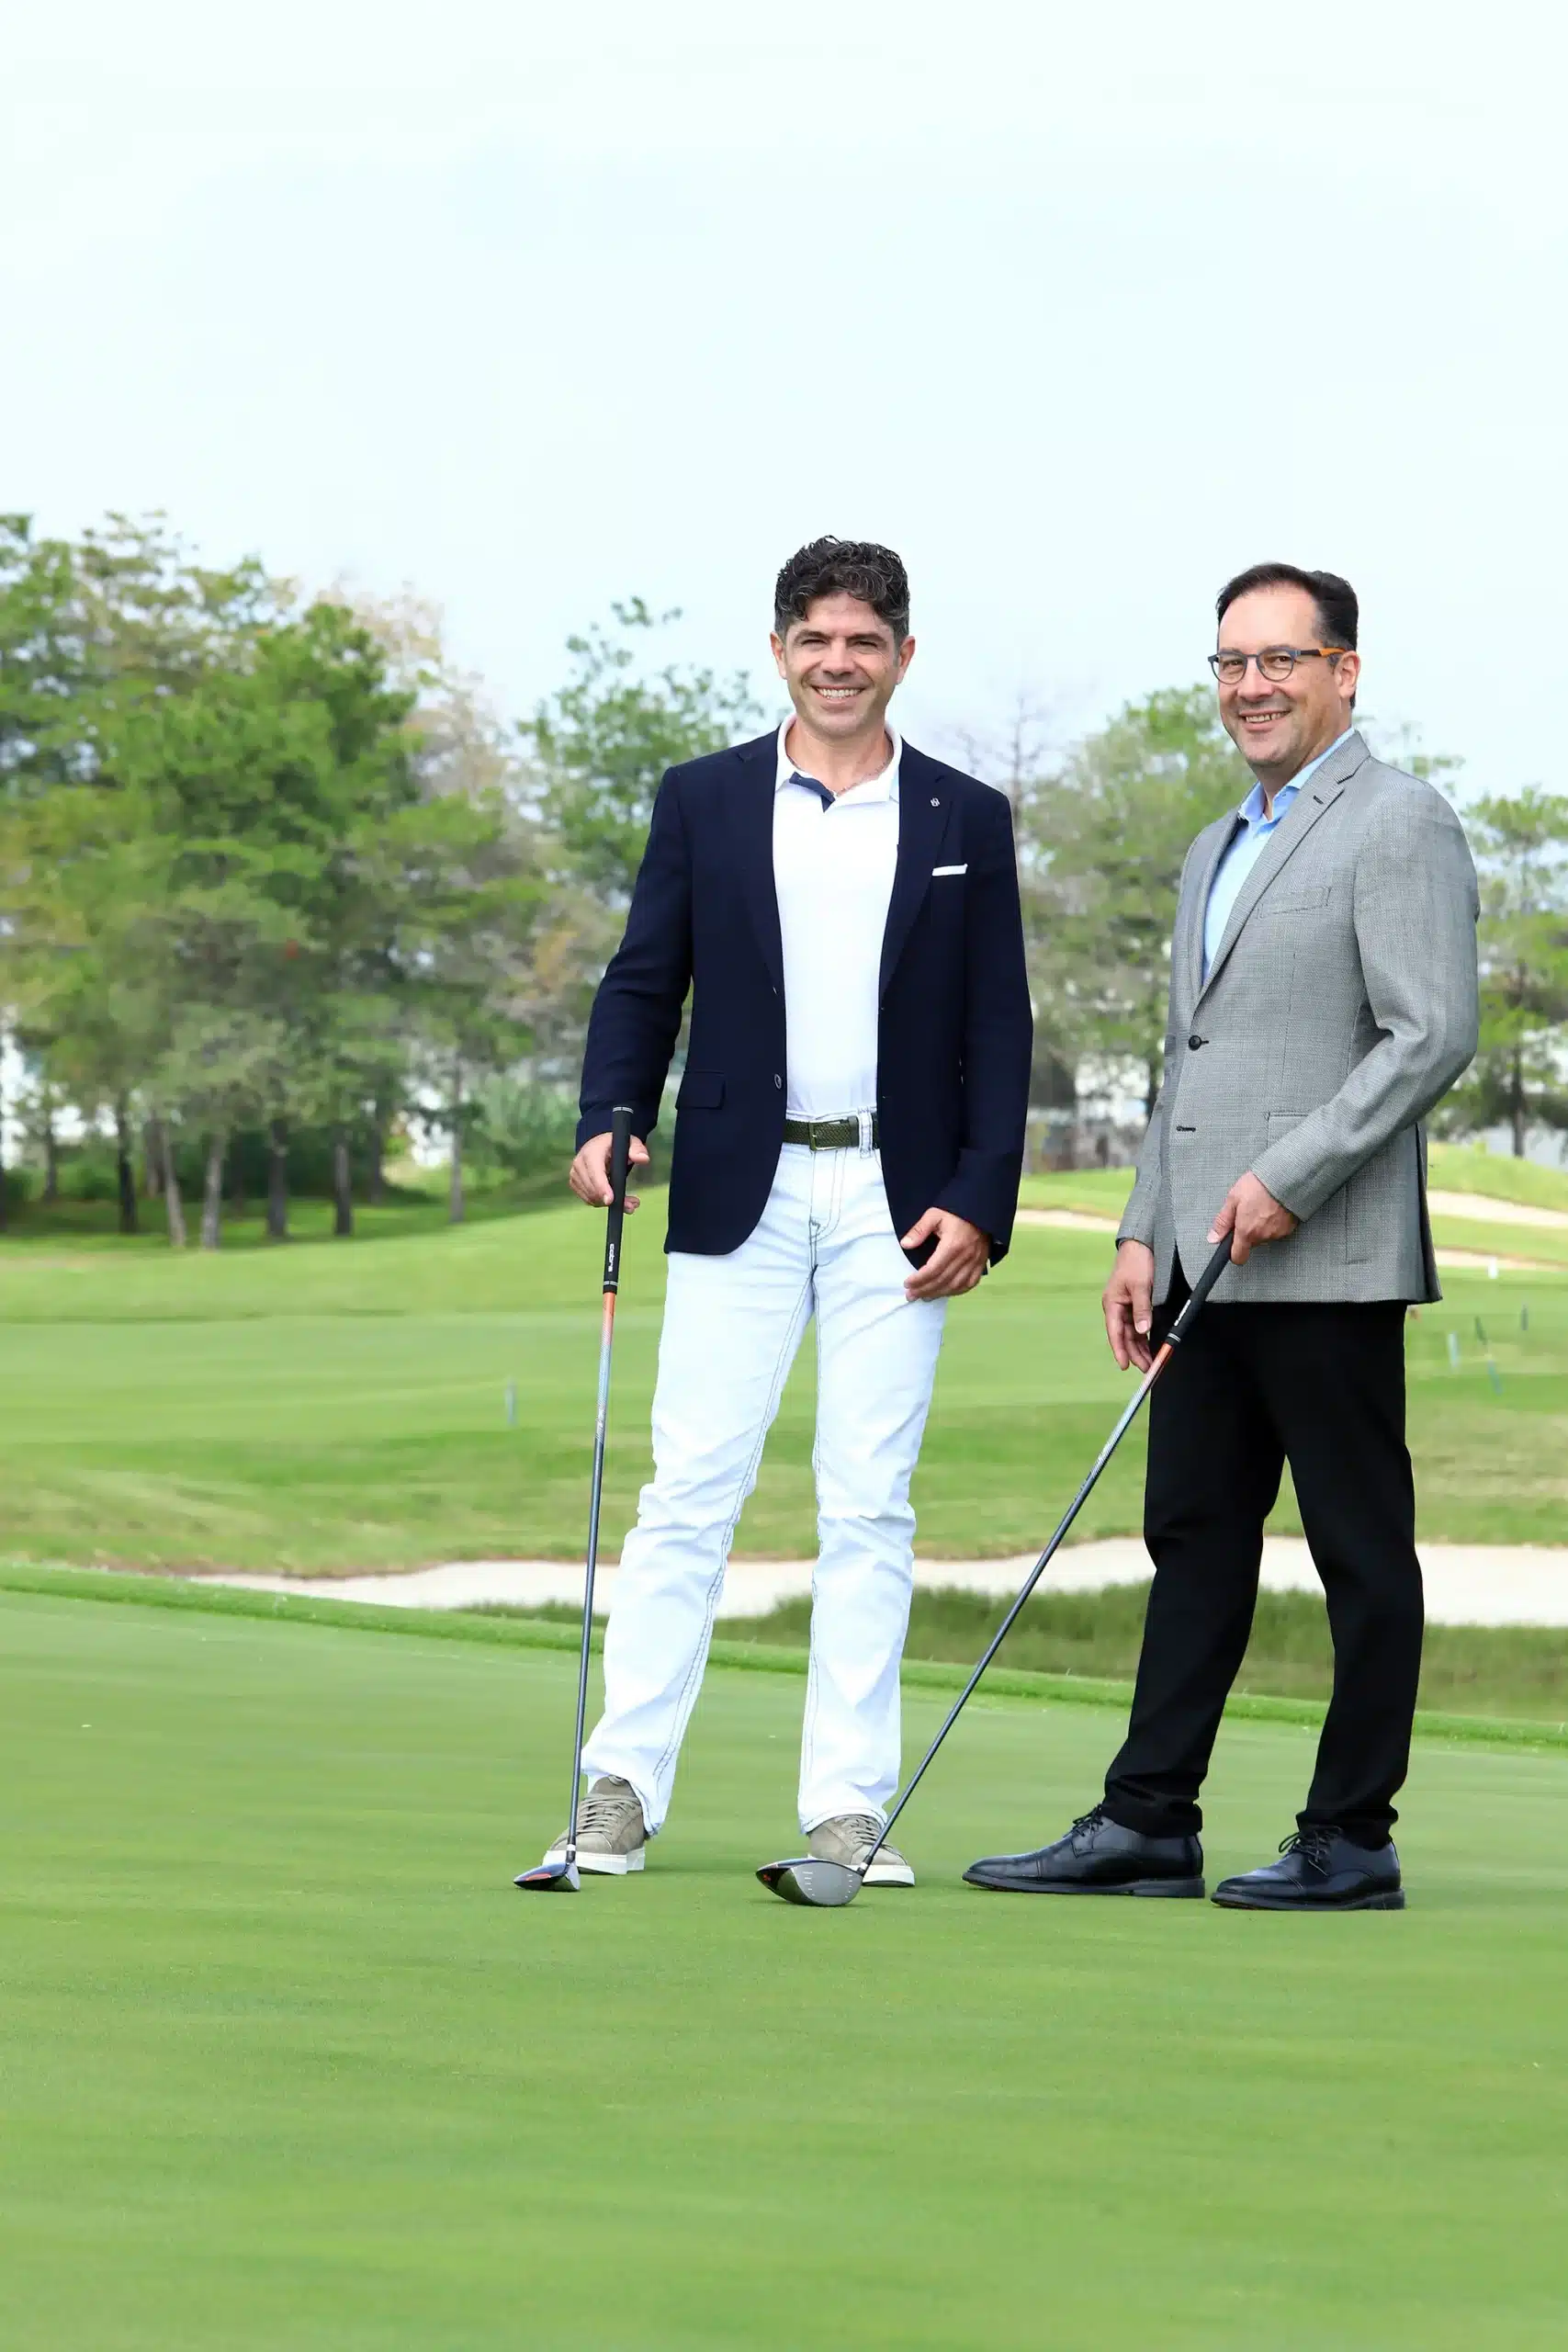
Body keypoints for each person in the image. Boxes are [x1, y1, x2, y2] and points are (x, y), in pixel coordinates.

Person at [965, 561, 1479, 1912]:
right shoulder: (1213, 845)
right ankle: (1149, 1818)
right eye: (1231, 663)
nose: (1251, 686)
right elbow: (1186, 1063)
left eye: (1280, 660)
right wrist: (1141, 1233)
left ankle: (1350, 1836)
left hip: (1327, 1256)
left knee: (1359, 1551)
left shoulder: (1399, 821)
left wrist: (1290, 1177)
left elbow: (1430, 1034)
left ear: (1342, 673)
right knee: (1191, 1535)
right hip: (1201, 1261)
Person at [547, 537, 1032, 1882]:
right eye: (814, 638)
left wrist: (981, 1197)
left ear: (903, 657)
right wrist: (609, 1113)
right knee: (688, 1492)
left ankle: (847, 1811)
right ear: (778, 650)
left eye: (864, 641)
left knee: (868, 1504)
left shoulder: (964, 817)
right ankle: (618, 1791)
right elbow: (643, 978)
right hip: (735, 1187)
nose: (838, 662)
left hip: (896, 1198)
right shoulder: (701, 798)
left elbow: (999, 1025)